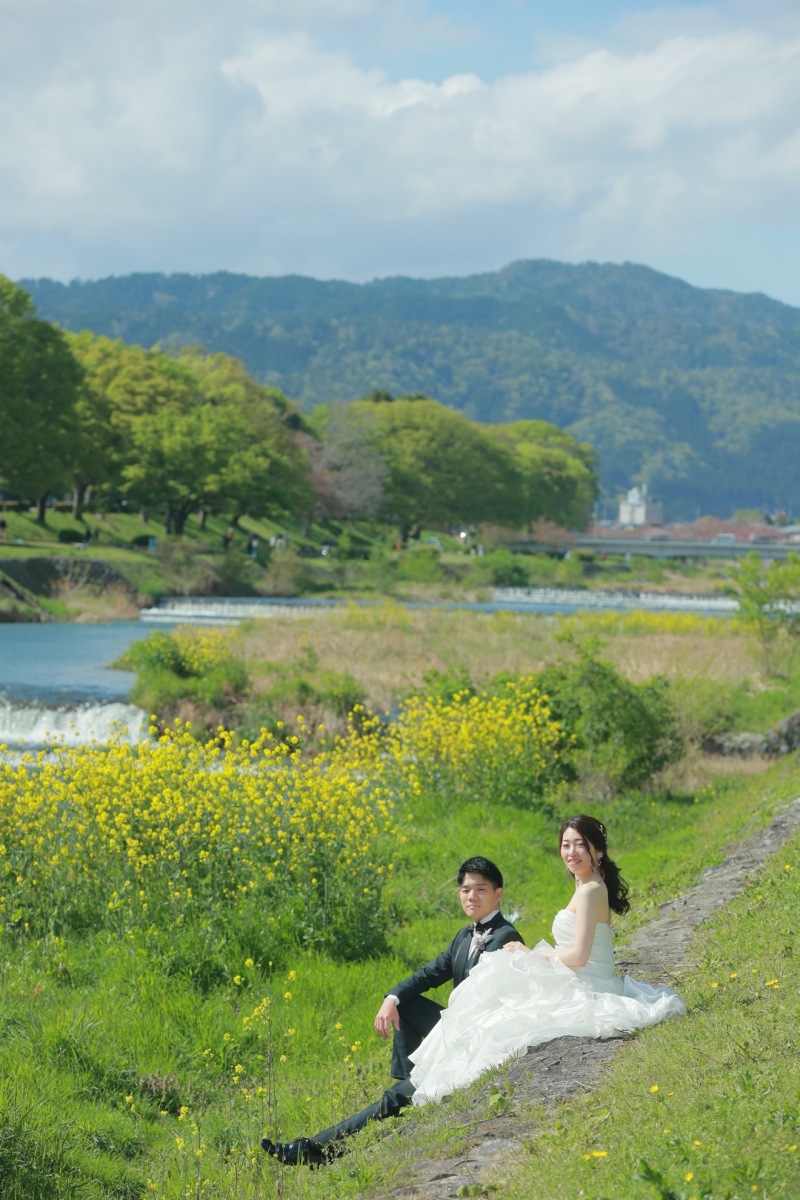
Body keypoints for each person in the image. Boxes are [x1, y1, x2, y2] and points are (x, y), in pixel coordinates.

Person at [260, 855, 523, 1166]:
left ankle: (314, 1148)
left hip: (476, 1039)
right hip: (459, 1029)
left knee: (394, 1097)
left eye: (480, 889)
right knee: (405, 1002)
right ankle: (412, 1079)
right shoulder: (465, 936)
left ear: (498, 894)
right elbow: (428, 973)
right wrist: (392, 998)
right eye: (465, 890)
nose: (471, 896)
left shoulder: (505, 937)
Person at [408, 815, 685, 1106]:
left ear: (598, 850)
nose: (571, 852)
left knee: (502, 1008)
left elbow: (579, 956)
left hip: (588, 982)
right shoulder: (588, 884)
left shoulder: (591, 889)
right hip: (577, 974)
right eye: (566, 845)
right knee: (499, 989)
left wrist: (535, 955)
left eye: (580, 844)